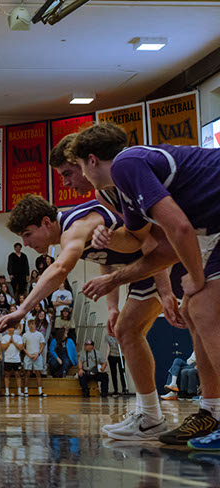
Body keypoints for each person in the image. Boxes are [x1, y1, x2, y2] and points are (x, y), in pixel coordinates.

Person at [69, 124, 220, 447]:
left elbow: (180, 228)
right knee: (198, 311)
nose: (77, 176)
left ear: (92, 160)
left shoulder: (126, 164)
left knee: (203, 309)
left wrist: (194, 278)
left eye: (78, 167)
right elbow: (158, 249)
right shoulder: (123, 188)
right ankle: (211, 413)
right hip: (213, 225)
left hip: (211, 226)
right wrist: (112, 272)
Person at [0, 194, 179, 440]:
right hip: (145, 268)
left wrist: (22, 309)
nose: (26, 243)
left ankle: (154, 416)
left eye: (28, 234)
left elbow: (59, 269)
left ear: (46, 222)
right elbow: (106, 260)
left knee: (131, 330)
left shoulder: (74, 228)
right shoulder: (74, 231)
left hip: (161, 261)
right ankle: (151, 414)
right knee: (127, 331)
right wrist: (112, 307)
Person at [20, 319, 46, 397]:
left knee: (38, 373)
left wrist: (37, 354)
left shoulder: (40, 334)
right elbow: (23, 347)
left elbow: (42, 346)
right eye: (30, 324)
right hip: (28, 356)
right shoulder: (25, 335)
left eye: (33, 323)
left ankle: (40, 391)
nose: (32, 325)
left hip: (37, 356)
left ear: (35, 325)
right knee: (27, 373)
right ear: (28, 325)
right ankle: (26, 391)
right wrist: (28, 355)